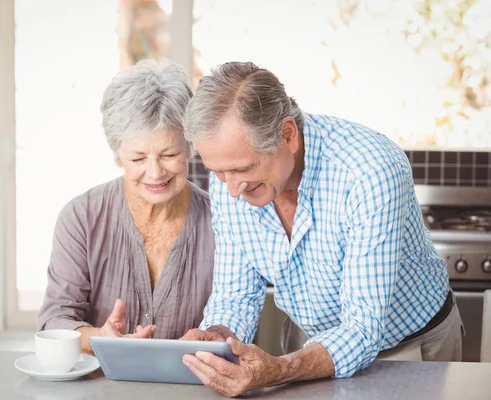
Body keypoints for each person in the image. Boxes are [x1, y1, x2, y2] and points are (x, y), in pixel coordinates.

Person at [180, 61, 462, 397]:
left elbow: (361, 327)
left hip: (407, 349)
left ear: (288, 135)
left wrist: (280, 369)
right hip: (307, 345)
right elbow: (235, 295)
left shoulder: (369, 171)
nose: (231, 191)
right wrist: (217, 335)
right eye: (219, 173)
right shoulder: (231, 174)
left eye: (242, 169)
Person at [37, 60, 215, 354]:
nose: (156, 172)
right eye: (138, 158)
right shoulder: (82, 218)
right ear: (118, 154)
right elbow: (54, 321)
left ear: (190, 147)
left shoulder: (221, 221)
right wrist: (98, 337)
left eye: (169, 154)